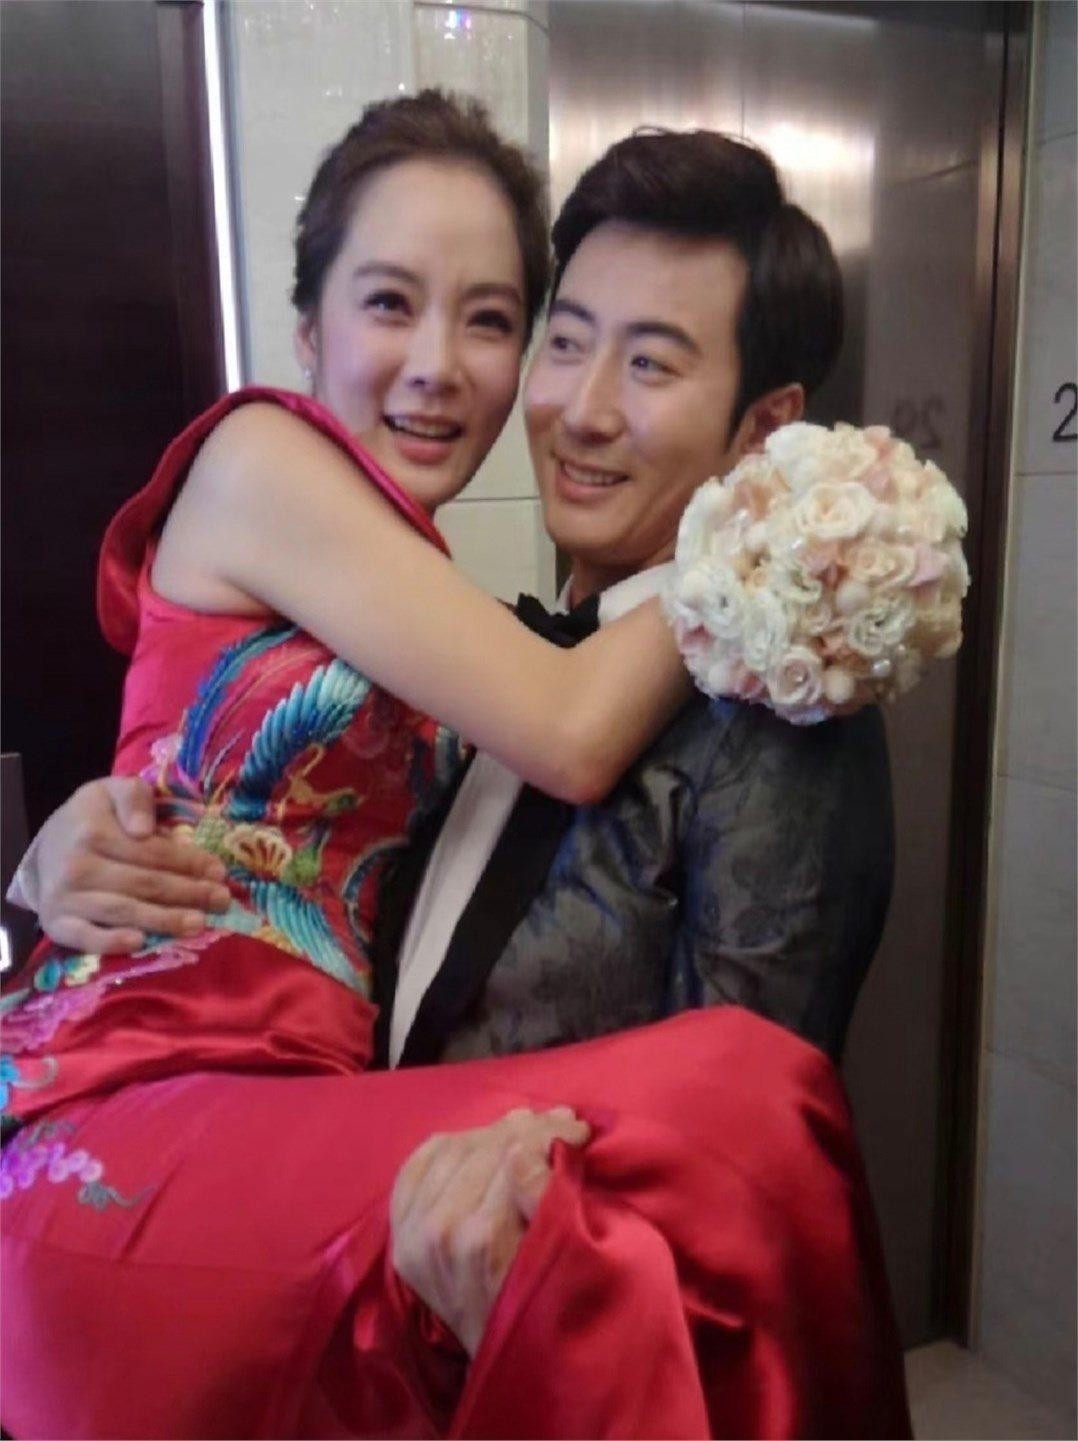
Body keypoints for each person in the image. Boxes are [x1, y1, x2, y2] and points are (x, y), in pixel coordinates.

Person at [2, 114, 909, 1437]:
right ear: (305, 327)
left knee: (744, 1109)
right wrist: (782, 534)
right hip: (150, 1124)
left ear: (758, 419)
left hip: (328, 1185)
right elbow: (568, 727)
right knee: (740, 1105)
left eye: (489, 319)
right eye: (390, 303)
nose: (443, 367)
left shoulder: (695, 695)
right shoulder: (265, 463)